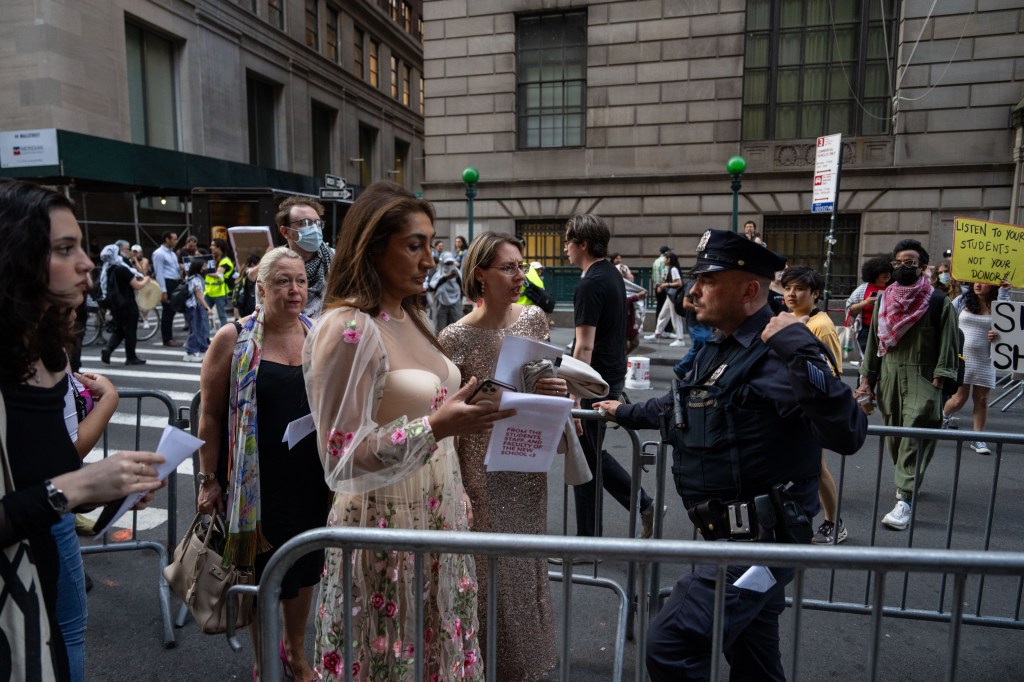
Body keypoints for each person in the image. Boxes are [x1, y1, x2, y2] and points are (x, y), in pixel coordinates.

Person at [593, 229, 866, 682]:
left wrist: (799, 346)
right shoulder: (719, 345)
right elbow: (680, 405)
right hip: (728, 537)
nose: (693, 290)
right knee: (756, 660)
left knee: (673, 641)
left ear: (750, 290)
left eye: (708, 280)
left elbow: (849, 432)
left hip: (761, 546)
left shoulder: (782, 351)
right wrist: (622, 410)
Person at [303, 182, 514, 681]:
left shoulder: (413, 315)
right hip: (383, 525)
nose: (428, 259)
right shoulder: (349, 327)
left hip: (439, 513)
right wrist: (434, 427)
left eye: (430, 243)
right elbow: (340, 457)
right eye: (413, 244)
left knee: (435, 653)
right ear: (373, 248)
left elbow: (433, 403)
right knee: (391, 660)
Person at [0, 179, 164, 680]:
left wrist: (107, 491)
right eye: (64, 249)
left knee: (67, 636)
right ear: (16, 259)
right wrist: (73, 488)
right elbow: (53, 487)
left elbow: (49, 475)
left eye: (82, 247)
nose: (87, 262)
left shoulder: (49, 353)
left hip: (46, 561)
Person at [196, 246, 330, 681]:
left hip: (312, 476)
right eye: (282, 282)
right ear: (261, 287)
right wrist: (208, 479)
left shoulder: (317, 333)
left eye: (301, 282)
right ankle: (263, 656)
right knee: (262, 569)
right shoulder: (233, 338)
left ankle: (295, 650)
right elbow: (211, 414)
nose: (294, 291)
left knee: (307, 565)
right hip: (257, 480)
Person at [438, 231, 566, 681]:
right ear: (481, 275)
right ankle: (481, 664)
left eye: (522, 265)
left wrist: (555, 388)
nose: (520, 275)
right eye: (509, 267)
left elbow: (548, 377)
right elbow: (446, 412)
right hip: (479, 466)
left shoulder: (533, 319)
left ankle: (526, 668)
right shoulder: (453, 338)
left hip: (526, 463)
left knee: (526, 566)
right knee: (488, 572)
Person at [564, 214, 657, 539]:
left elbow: (584, 346)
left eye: (568, 241)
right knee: (590, 455)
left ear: (583, 244)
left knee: (584, 460)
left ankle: (589, 542)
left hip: (594, 379)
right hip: (610, 373)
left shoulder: (590, 283)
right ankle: (641, 506)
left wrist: (574, 396)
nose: (565, 250)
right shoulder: (612, 275)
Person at [856, 239, 959, 530]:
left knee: (913, 438)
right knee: (896, 439)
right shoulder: (885, 300)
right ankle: (907, 481)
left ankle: (904, 499)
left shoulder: (938, 301)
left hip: (924, 379)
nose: (903, 267)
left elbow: (949, 343)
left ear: (923, 266)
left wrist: (941, 378)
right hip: (889, 378)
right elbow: (875, 343)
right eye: (898, 262)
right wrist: (868, 380)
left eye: (910, 262)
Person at [780, 265, 847, 545]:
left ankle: (834, 523)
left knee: (817, 468)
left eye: (799, 289)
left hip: (808, 409)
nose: (791, 294)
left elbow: (832, 373)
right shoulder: (786, 318)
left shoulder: (821, 326)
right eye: (788, 288)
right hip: (787, 408)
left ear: (815, 293)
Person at [941, 283, 1001, 453]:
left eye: (984, 281)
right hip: (962, 356)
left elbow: (1010, 329)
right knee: (959, 399)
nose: (978, 284)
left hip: (986, 358)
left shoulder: (1000, 304)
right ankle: (942, 418)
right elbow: (947, 320)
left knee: (982, 400)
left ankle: (978, 438)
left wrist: (998, 334)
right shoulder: (962, 300)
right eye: (976, 280)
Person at [276, 195, 335, 319]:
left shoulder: (337, 261)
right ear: (285, 232)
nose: (314, 229)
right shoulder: (273, 266)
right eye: (304, 223)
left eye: (318, 223)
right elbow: (264, 313)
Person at [99, 243, 150, 366]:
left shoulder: (108, 269)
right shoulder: (122, 269)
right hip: (127, 303)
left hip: (116, 305)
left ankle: (108, 349)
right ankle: (131, 357)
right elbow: (137, 285)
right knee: (130, 331)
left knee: (120, 329)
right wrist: (146, 279)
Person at [845, 256, 894, 353]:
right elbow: (851, 309)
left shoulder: (893, 289)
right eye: (883, 272)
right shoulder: (863, 289)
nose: (887, 274)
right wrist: (865, 303)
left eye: (889, 271)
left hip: (887, 331)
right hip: (866, 331)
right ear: (875, 273)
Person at [671, 275, 712, 381]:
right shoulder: (692, 284)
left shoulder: (707, 285)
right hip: (695, 322)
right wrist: (701, 309)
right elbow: (685, 304)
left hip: (705, 322)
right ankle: (681, 368)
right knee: (700, 343)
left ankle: (698, 371)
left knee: (705, 345)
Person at [645, 251, 686, 347]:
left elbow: (679, 283)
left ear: (669, 260)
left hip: (673, 296)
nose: (663, 260)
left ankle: (680, 339)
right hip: (670, 296)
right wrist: (663, 285)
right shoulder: (671, 268)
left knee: (675, 317)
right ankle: (657, 334)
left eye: (665, 258)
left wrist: (665, 285)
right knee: (663, 315)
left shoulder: (673, 269)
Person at [152, 231, 183, 347]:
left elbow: (174, 269)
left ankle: (169, 336)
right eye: (174, 239)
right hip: (167, 283)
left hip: (174, 283)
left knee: (172, 311)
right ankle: (166, 338)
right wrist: (163, 290)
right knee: (167, 311)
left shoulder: (172, 253)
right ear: (167, 239)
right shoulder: (158, 254)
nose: (176, 241)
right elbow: (159, 273)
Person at [182, 259, 212, 361]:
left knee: (200, 328)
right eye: (204, 266)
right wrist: (207, 307)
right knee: (195, 329)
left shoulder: (191, 277)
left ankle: (202, 349)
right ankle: (190, 352)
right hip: (194, 307)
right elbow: (198, 295)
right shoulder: (196, 279)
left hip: (194, 307)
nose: (206, 268)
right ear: (199, 268)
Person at [203, 237, 234, 328]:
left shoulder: (225, 261)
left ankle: (225, 335)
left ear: (219, 247)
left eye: (213, 245)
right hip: (208, 292)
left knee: (222, 316)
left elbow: (218, 275)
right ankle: (205, 335)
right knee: (203, 314)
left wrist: (204, 271)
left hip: (220, 293)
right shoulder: (211, 259)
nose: (210, 247)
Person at [430, 251, 463, 332]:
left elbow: (462, 287)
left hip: (455, 304)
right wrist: (445, 278)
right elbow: (432, 287)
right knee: (440, 329)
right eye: (447, 263)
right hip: (441, 303)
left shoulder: (457, 274)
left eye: (451, 263)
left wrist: (456, 277)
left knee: (455, 329)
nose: (449, 266)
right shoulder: (438, 275)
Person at [650, 246, 671, 336]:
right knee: (667, 309)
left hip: (657, 287)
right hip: (664, 287)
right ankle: (667, 330)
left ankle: (659, 330)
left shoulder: (656, 261)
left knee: (659, 308)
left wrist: (658, 285)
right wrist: (662, 285)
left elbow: (654, 276)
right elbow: (665, 274)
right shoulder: (665, 261)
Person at [233, 253, 260, 319]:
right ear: (253, 264)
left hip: (244, 305)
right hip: (249, 305)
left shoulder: (243, 271)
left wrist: (236, 318)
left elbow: (235, 304)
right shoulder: (249, 272)